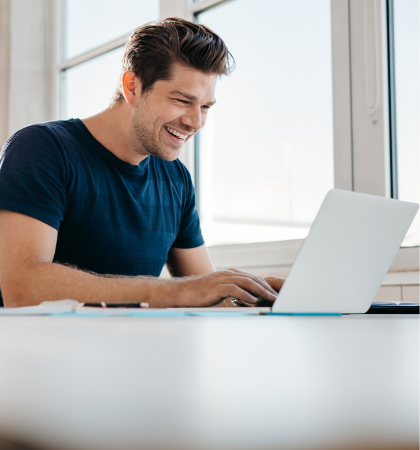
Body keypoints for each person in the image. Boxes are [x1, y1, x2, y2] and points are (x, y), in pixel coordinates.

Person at [0, 17, 283, 308]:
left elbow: (203, 292)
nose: (196, 122)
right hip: (42, 351)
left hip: (136, 350)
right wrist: (171, 292)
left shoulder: (176, 179)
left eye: (206, 107)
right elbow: (20, 288)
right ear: (132, 86)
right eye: (183, 101)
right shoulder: (42, 149)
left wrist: (257, 296)